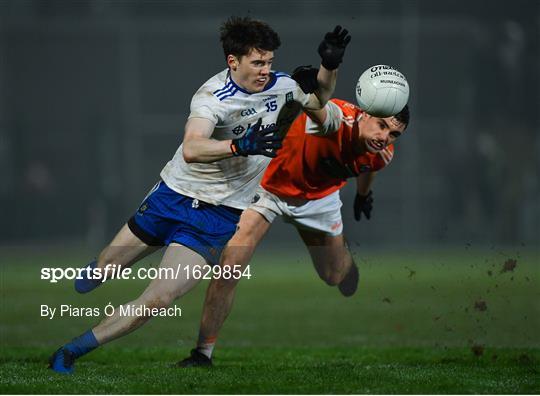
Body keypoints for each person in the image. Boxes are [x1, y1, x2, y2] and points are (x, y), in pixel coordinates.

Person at [47, 18, 350, 374]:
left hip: (216, 218)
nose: (266, 70)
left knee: (157, 299)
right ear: (232, 61)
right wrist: (237, 145)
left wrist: (329, 66)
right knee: (107, 266)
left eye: (269, 62)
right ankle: (101, 269)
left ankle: (70, 351)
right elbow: (192, 148)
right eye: (257, 63)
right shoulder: (211, 96)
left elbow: (322, 104)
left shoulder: (283, 86)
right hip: (172, 197)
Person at [178, 67, 410, 366]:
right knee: (229, 266)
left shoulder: (382, 153)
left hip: (319, 199)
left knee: (333, 276)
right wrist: (324, 70)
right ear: (365, 112)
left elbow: (369, 168)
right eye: (381, 125)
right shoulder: (337, 116)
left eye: (393, 134)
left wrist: (364, 195)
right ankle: (202, 353)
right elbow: (318, 108)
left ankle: (344, 261)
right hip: (269, 188)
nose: (384, 137)